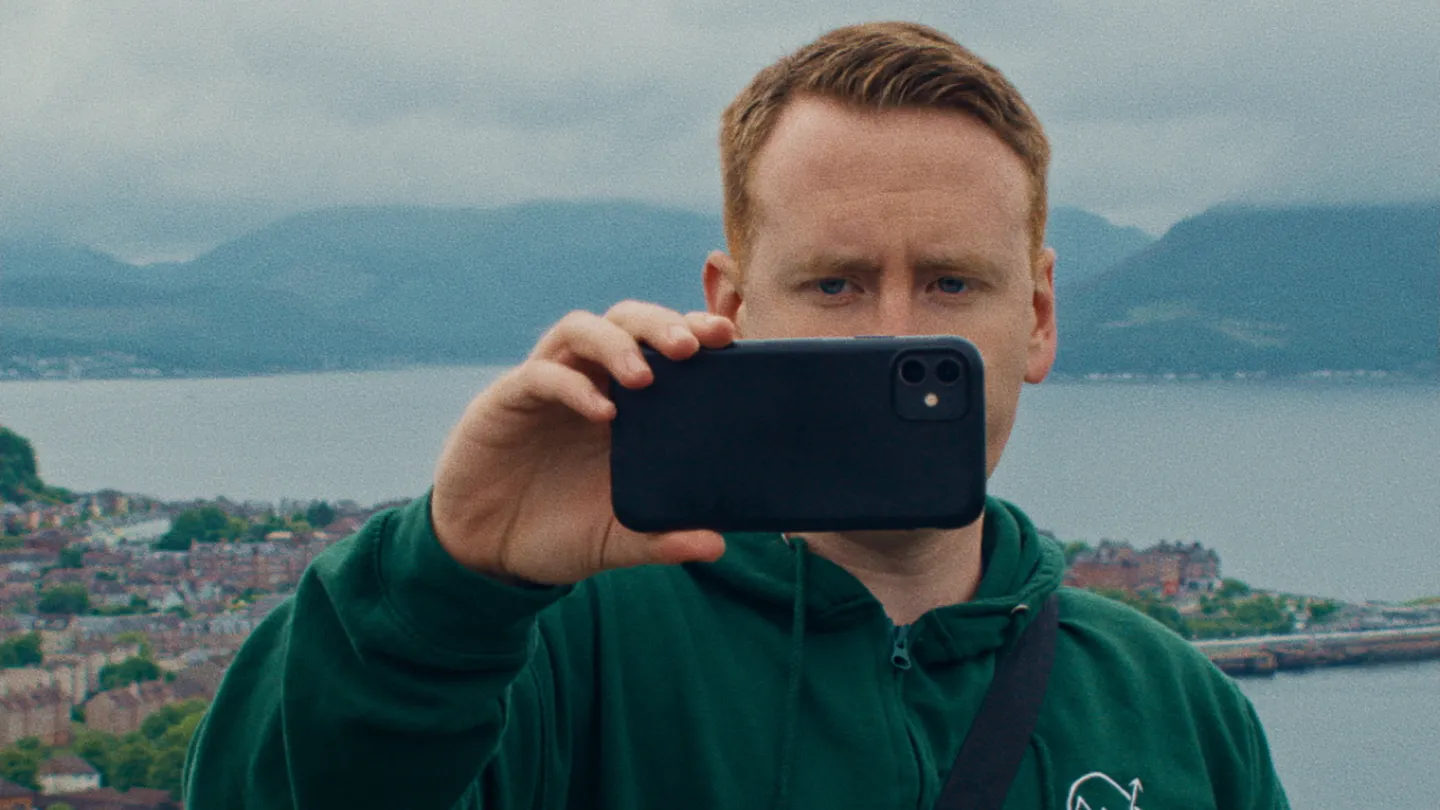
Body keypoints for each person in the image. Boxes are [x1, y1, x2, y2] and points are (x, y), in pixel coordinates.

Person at [183, 21, 1290, 809]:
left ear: (1038, 316)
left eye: (951, 282)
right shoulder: (552, 656)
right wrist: (447, 577)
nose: (890, 333)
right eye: (834, 283)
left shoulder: (1173, 710)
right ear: (732, 308)